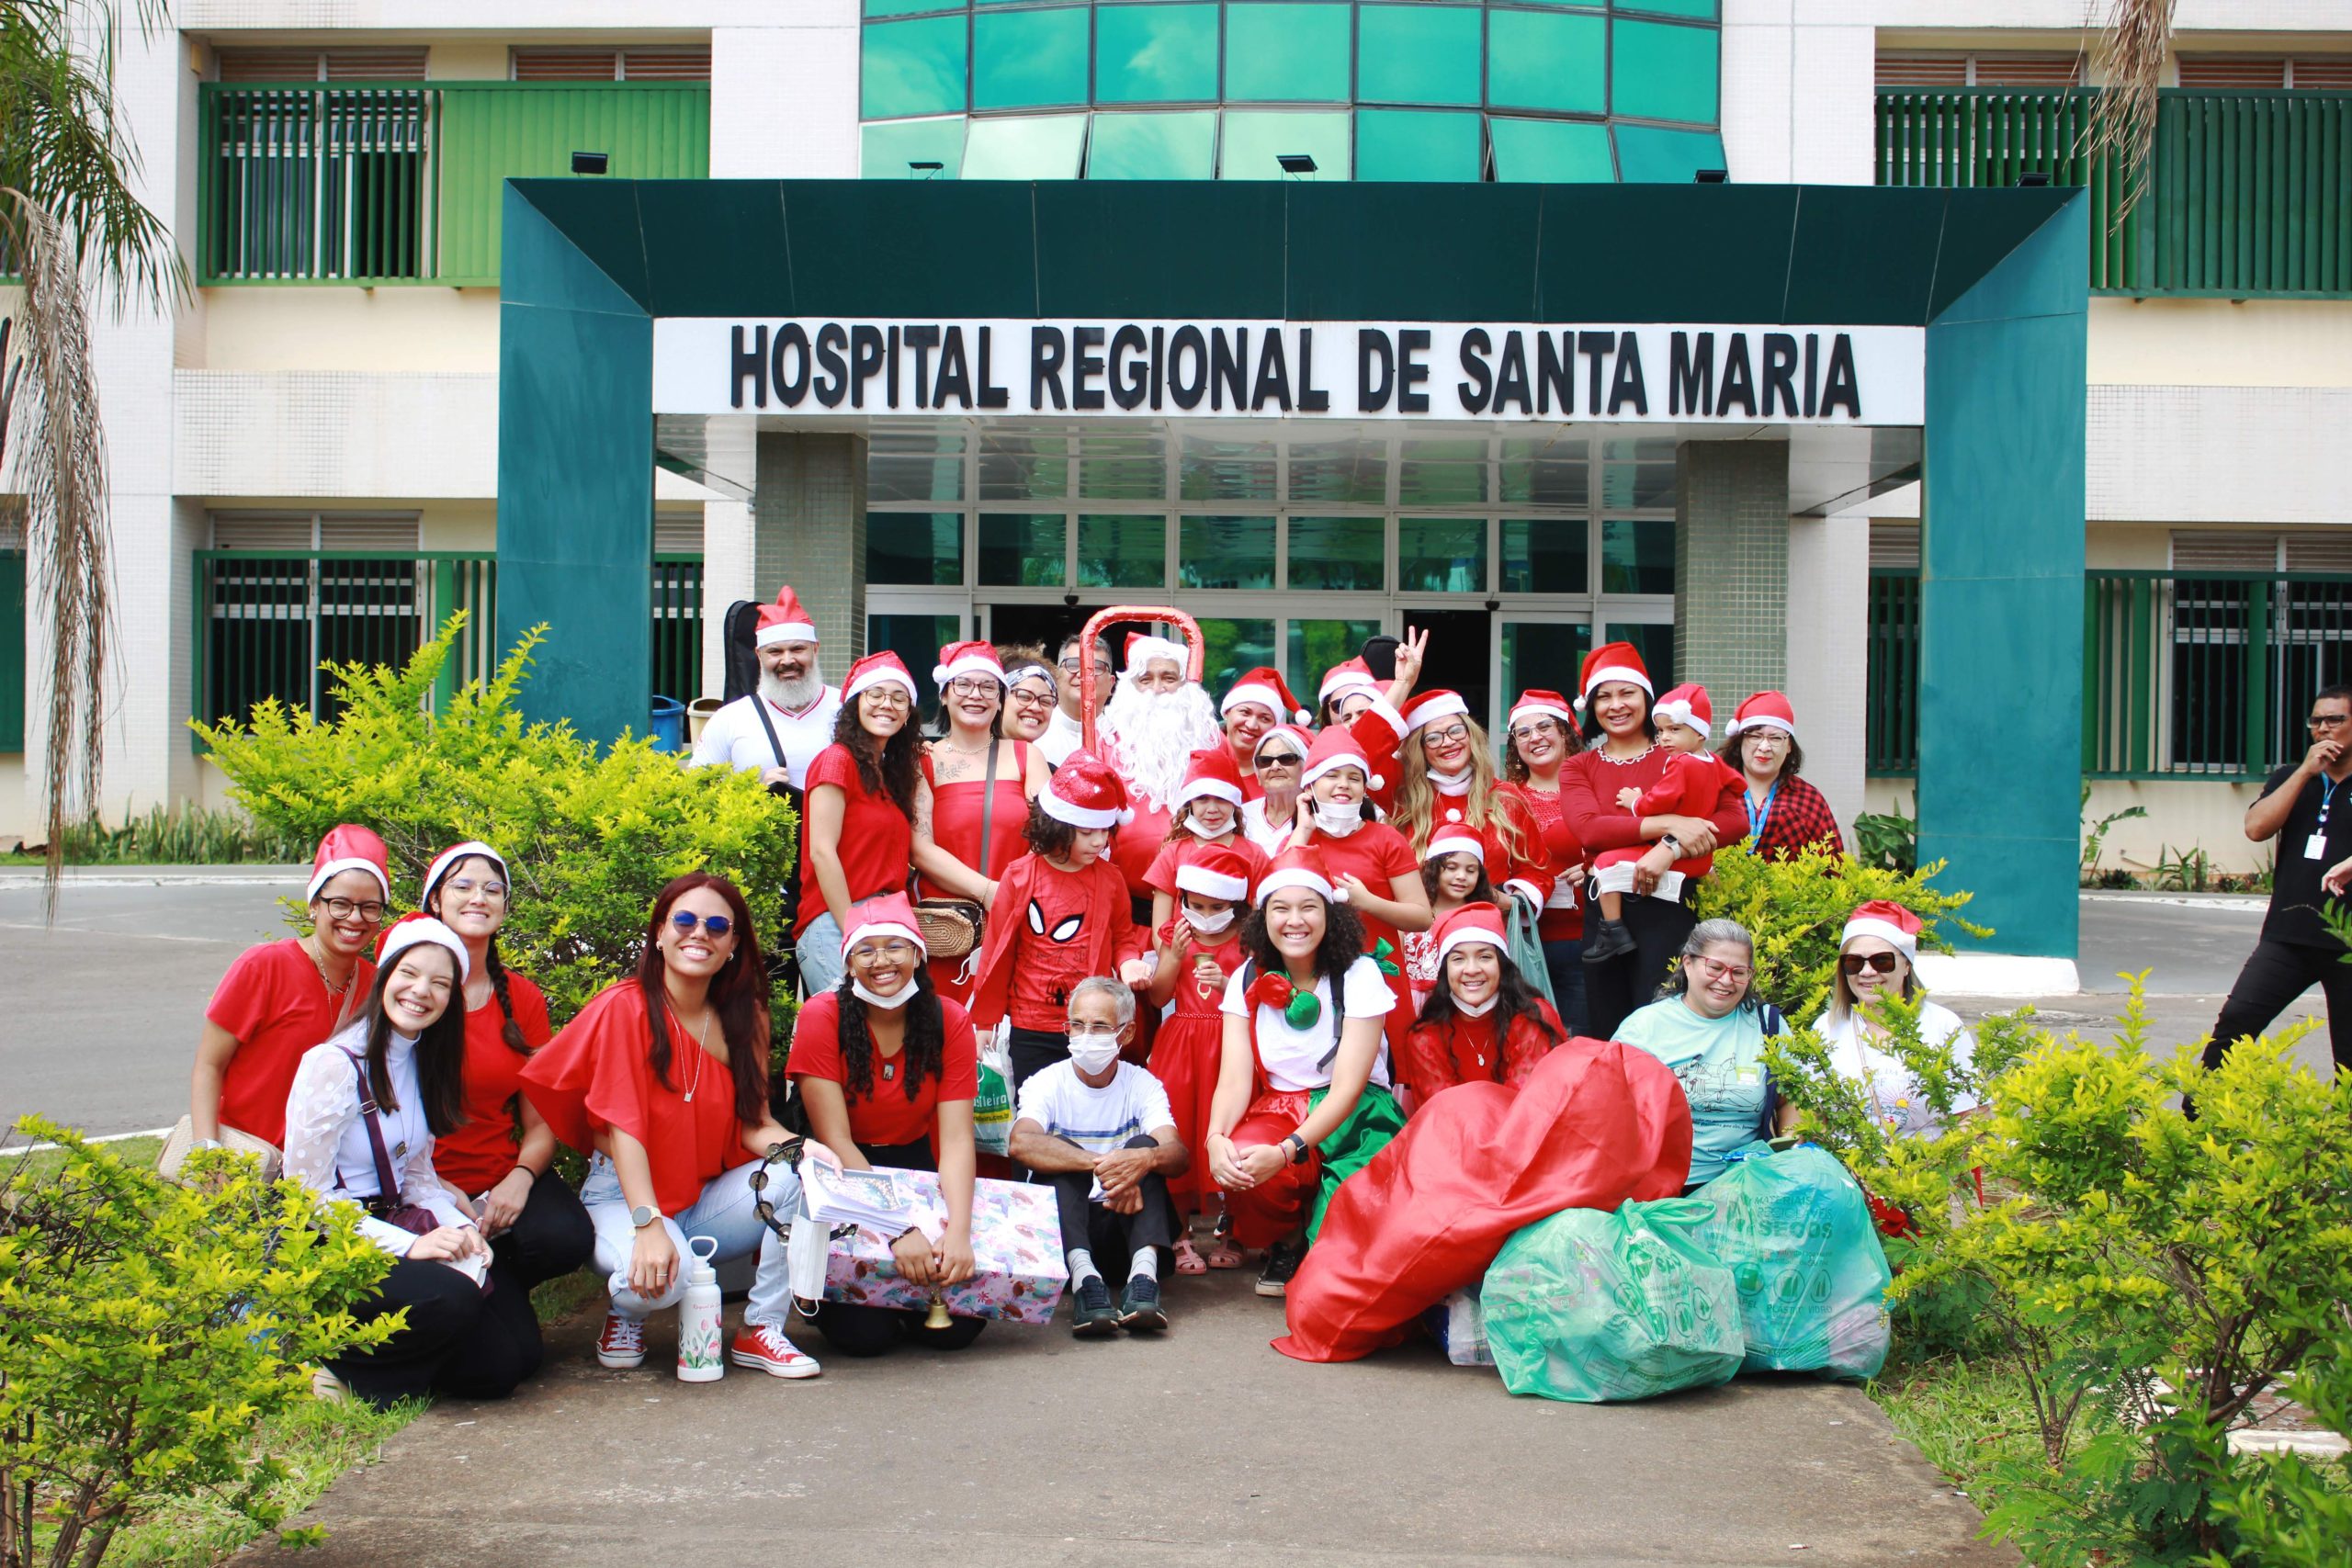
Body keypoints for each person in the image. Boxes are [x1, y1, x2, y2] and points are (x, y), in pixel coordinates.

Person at [523, 874, 821, 1381]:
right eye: (684, 920)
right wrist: (648, 1225)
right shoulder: (627, 1006)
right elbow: (625, 1129)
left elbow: (754, 1125)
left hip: (702, 1196)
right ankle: (626, 1311)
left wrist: (805, 1150)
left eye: (717, 925)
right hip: (623, 1193)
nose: (698, 933)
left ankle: (761, 1329)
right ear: (659, 934)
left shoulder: (746, 1018)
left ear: (733, 945)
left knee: (801, 1175)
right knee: (666, 1279)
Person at [283, 917, 530, 1406]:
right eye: (409, 974)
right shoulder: (332, 1065)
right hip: (340, 1245)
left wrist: (461, 1228)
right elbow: (306, 1198)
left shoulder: (423, 1062)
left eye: (440, 984)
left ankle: (401, 1360)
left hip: (398, 1222)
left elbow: (416, 1177)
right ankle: (346, 1366)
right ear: (384, 977)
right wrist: (409, 1247)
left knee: (515, 1361)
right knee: (456, 1298)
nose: (422, 992)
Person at [786, 894, 986, 1357]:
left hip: (912, 1164)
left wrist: (958, 1231)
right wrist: (896, 1229)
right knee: (866, 1338)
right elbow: (835, 1139)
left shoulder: (948, 1018)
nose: (882, 962)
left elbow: (956, 1140)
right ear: (849, 962)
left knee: (956, 1329)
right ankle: (817, 1289)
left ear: (918, 954)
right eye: (866, 950)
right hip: (842, 1169)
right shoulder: (822, 1015)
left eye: (895, 947)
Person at [1207, 845, 1406, 1298]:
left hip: (1355, 1114)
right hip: (1280, 1107)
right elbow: (1235, 1078)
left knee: (1343, 1260)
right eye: (1281, 908)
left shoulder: (1359, 975)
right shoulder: (1244, 979)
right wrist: (1215, 1138)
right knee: (1238, 1156)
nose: (1294, 920)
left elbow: (1348, 1087)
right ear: (1263, 918)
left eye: (1308, 908)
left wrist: (1288, 1149)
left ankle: (1319, 1239)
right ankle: (1288, 1241)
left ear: (1329, 915)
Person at [419, 840, 594, 1311]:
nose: (479, 897)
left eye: (492, 889)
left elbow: (540, 1124)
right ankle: (484, 1294)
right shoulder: (410, 990)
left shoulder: (522, 998)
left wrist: (518, 1177)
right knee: (500, 1372)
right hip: (420, 1187)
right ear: (435, 900)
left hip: (495, 1177)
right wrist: (432, 1189)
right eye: (463, 886)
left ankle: (494, 1280)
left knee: (568, 1239)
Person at [1559, 644, 1747, 1040]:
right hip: (1606, 915)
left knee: (1667, 1021)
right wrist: (1672, 822)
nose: (1616, 705)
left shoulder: (1684, 754)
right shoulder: (1579, 766)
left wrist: (1670, 848)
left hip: (1670, 905)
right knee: (1608, 1029)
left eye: (1626, 693)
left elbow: (1734, 819)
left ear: (1646, 697)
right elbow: (1590, 830)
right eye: (1604, 696)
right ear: (1591, 706)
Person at [796, 650, 992, 994]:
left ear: (908, 714)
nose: (887, 704)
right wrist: (854, 932)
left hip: (886, 922)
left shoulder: (888, 774)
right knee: (846, 1038)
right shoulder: (836, 760)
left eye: (899, 698)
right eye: (876, 694)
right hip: (838, 921)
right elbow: (822, 853)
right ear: (855, 702)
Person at [188, 826, 390, 1158]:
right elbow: (208, 1066)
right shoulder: (263, 966)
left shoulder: (376, 986)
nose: (354, 918)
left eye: (370, 907)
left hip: (324, 1175)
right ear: (314, 904)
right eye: (340, 904)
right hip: (246, 1164)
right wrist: (208, 1153)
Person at [967, 751, 1154, 1098]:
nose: (1099, 841)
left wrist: (1128, 963)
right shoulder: (1020, 876)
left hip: (1091, 1027)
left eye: (1105, 831)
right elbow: (996, 951)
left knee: (1086, 1110)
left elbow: (1123, 938)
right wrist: (984, 1021)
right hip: (1029, 1024)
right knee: (1034, 1117)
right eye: (1087, 832)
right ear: (1059, 827)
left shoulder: (1111, 880)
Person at [1009, 976, 1188, 1337]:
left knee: (1144, 1149)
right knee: (1061, 1154)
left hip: (1123, 1228)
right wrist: (1105, 1166)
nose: (1086, 1035)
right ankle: (1085, 1282)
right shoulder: (1046, 1082)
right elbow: (1021, 1143)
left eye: (1100, 1026)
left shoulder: (1142, 1084)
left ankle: (1143, 1279)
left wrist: (1142, 1161)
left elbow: (1177, 1154)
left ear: (1126, 1033)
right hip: (1062, 1238)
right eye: (1077, 1025)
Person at [2210, 683, 2352, 1077]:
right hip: (2288, 936)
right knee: (2235, 1024)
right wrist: (2306, 771)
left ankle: (2340, 1137)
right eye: (2316, 721)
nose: (2323, 729)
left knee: (2350, 1061)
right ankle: (2195, 1123)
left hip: (2349, 944)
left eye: (2335, 719)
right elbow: (2256, 828)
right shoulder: (2292, 777)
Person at [1614, 919, 1794, 1190]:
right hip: (1661, 1190)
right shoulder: (1644, 1028)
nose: (1726, 980)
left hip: (1746, 1186)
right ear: (1688, 963)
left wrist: (1790, 1152)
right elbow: (1611, 1107)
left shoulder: (1768, 1025)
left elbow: (1790, 1098)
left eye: (1738, 972)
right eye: (1715, 967)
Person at [1145, 841, 1255, 1273]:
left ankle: (1235, 1229)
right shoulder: (1177, 934)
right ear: (1185, 900)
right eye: (1198, 904)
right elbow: (1158, 995)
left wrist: (1230, 984)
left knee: (1232, 1128)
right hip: (1182, 1042)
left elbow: (1259, 998)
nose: (1207, 913)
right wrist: (1172, 958)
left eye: (1218, 905)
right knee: (1182, 1131)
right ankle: (1179, 1233)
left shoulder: (1249, 940)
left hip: (1230, 1043)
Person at [920, 639, 1047, 1002]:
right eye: (963, 684)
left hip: (1021, 919)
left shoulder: (1027, 755)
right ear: (945, 694)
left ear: (1000, 698)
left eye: (988, 686)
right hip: (949, 929)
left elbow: (1049, 836)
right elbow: (918, 847)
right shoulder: (923, 760)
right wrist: (988, 891)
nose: (976, 695)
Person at [1292, 725, 1431, 1046]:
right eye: (1332, 775)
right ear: (1310, 786)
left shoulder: (1386, 838)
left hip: (1381, 981)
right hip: (1314, 982)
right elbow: (1270, 903)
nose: (1344, 784)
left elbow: (1422, 916)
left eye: (1354, 778)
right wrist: (1302, 830)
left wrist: (1368, 902)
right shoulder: (1300, 838)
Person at [1584, 682, 1740, 964]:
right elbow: (1737, 783)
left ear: (1700, 734)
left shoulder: (1680, 764)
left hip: (1669, 862)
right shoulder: (1713, 762)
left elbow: (1659, 800)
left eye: (1674, 730)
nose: (1665, 738)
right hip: (1700, 861)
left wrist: (1636, 801)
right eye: (1661, 731)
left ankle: (1612, 930)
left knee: (1604, 864)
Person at [1813, 901, 1979, 1138]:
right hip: (1846, 1172)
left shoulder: (1944, 1026)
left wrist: (1933, 1165)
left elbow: (1973, 1114)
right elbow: (1813, 1115)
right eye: (1854, 962)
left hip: (1927, 1170)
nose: (1867, 972)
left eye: (1882, 961)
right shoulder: (1826, 1027)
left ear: (1907, 966)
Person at [1389, 685, 1555, 918]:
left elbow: (1537, 871)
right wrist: (1403, 683)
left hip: (1490, 937)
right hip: (1423, 940)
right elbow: (1363, 751)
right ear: (1421, 749)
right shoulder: (1404, 800)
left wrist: (1507, 900)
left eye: (1456, 731)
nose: (1447, 742)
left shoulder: (1505, 796)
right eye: (1434, 738)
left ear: (1470, 735)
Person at [1396, 902, 1566, 1117]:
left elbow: (1530, 1110)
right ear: (1444, 969)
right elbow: (1442, 1117)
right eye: (1458, 959)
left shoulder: (1534, 1017)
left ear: (1502, 964)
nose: (1472, 969)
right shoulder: (1426, 1036)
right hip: (1456, 1144)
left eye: (1485, 957)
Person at [1102, 632, 1225, 903]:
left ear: (1186, 685)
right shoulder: (1105, 742)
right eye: (1145, 679)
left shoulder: (1212, 741)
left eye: (1169, 678)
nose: (1157, 689)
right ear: (1129, 686)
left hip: (1202, 906)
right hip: (1123, 905)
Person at [685, 583, 842, 788]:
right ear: (759, 655)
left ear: (815, 649)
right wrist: (752, 789)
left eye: (797, 649)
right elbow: (695, 788)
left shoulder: (846, 707)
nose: (787, 660)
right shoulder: (729, 718)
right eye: (775, 652)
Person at [1502, 688, 1590, 1033]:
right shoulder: (1504, 798)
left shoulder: (1592, 791)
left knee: (1577, 1042)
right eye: (1523, 733)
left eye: (1544, 727)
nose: (1534, 738)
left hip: (1584, 943)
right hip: (1521, 944)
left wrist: (1595, 865)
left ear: (1565, 733)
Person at [1141, 747, 1270, 936]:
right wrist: (1172, 959)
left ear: (1234, 803)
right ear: (1189, 803)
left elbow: (1260, 918)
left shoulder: (1254, 854)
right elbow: (1160, 927)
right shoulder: (1172, 853)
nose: (1212, 809)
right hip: (1182, 959)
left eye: (1221, 799)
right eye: (1202, 799)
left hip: (1236, 961)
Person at [1719, 691, 1844, 861]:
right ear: (1740, 741)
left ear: (1789, 746)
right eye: (1755, 736)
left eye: (1775, 738)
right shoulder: (1717, 788)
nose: (1764, 747)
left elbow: (1834, 865)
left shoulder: (1809, 798)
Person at [1402, 825, 1497, 1016]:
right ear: (1434, 868)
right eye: (1452, 868)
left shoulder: (1480, 916)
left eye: (1471, 870)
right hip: (1407, 1005)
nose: (1461, 876)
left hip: (1458, 1008)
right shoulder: (1412, 910)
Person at [1217, 666, 1309, 803]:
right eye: (1245, 712)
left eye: (1264, 718)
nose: (1252, 725)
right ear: (1227, 712)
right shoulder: (1197, 759)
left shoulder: (1282, 773)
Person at [1041, 632, 1113, 769]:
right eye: (1073, 665)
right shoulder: (1035, 730)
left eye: (1096, 667)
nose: (1084, 674)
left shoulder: (1123, 740)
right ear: (1056, 676)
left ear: (1111, 683)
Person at [1238, 723, 1313, 855]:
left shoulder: (1317, 818)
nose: (1275, 766)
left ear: (1305, 767)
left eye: (1287, 759)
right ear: (1258, 774)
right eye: (1265, 761)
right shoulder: (1241, 815)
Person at [998, 646, 1059, 748]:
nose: (1035, 708)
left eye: (1045, 701)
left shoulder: (1043, 763)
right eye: (1025, 697)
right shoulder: (973, 759)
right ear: (999, 698)